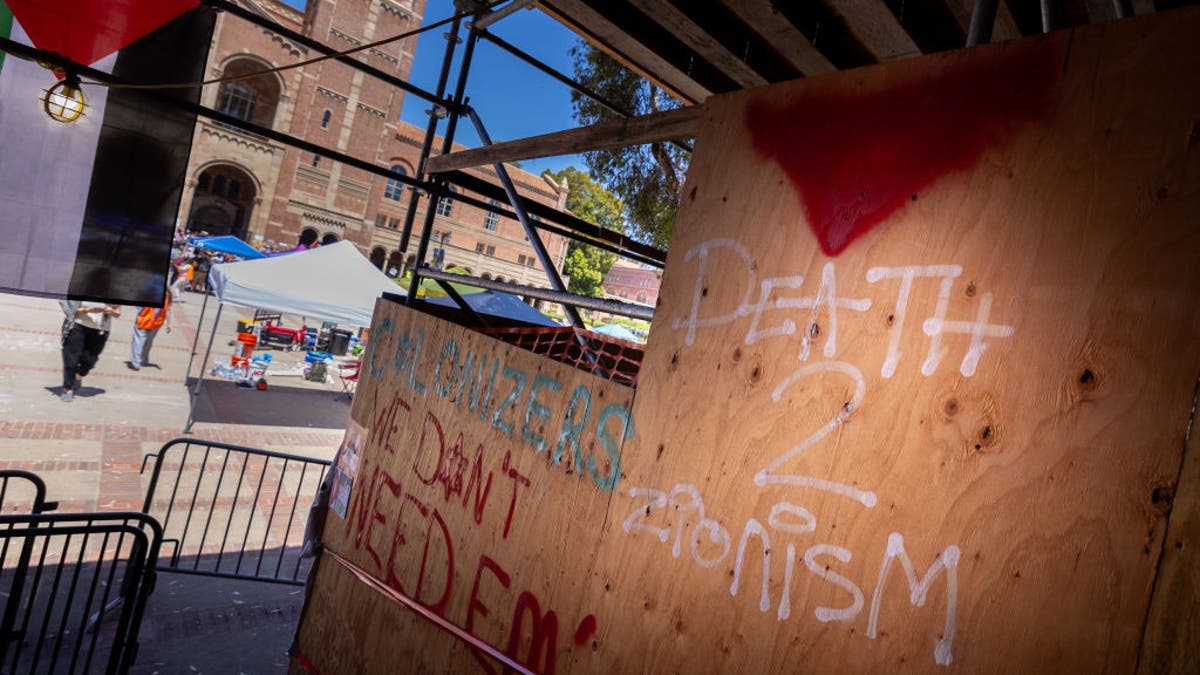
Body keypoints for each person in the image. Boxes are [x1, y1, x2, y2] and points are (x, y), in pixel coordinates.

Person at [59, 300, 121, 402]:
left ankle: (78, 375)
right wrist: (87, 310)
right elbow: (68, 309)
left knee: (90, 360)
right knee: (71, 359)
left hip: (100, 329)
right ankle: (67, 388)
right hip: (77, 326)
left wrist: (110, 311)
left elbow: (118, 312)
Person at [128, 294, 171, 370]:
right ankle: (136, 362)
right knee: (140, 342)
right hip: (145, 321)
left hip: (154, 323)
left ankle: (142, 360)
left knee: (147, 342)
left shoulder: (167, 295)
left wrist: (168, 324)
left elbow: (167, 309)